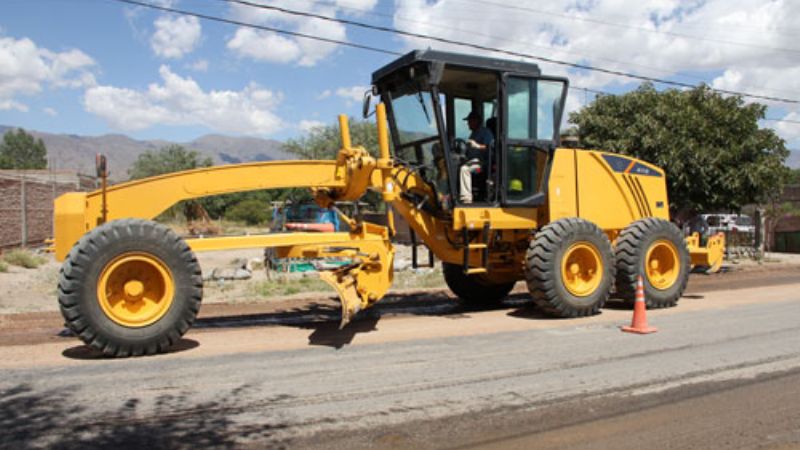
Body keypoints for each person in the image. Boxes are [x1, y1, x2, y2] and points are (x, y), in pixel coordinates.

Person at [460, 111, 494, 204]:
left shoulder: (485, 132)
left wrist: (478, 146)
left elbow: (491, 147)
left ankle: (466, 198)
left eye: (469, 121)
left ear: (476, 121)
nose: (468, 123)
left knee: (465, 169)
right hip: (473, 161)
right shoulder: (473, 134)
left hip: (482, 165)